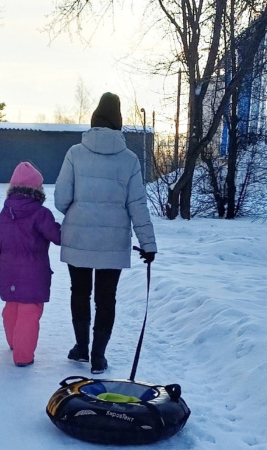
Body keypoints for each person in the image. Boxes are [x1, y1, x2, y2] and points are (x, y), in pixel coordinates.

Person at [54, 92, 157, 375]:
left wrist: (79, 211)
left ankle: (80, 347)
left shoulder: (75, 153)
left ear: (94, 120)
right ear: (119, 122)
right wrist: (148, 244)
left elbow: (61, 198)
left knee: (79, 292)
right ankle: (98, 357)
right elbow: (137, 204)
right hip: (114, 242)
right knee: (106, 298)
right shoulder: (130, 160)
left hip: (78, 239)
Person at [0, 162, 61, 367]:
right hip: (33, 274)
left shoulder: (5, 213)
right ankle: (23, 356)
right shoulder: (41, 214)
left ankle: (14, 342)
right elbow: (58, 236)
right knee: (29, 313)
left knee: (12, 308)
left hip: (8, 273)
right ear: (36, 189)